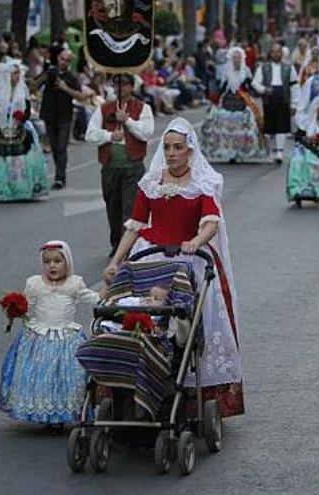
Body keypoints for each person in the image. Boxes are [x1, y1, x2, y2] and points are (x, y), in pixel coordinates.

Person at [103, 118, 245, 417]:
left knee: (183, 323)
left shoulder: (201, 183)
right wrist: (116, 262)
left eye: (177, 148)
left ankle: (189, 391)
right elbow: (134, 227)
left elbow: (211, 222)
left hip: (186, 260)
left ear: (190, 151)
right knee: (139, 314)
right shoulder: (151, 183)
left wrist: (195, 241)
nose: (171, 153)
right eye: (167, 147)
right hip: (152, 257)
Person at [0, 241, 101, 434]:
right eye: (47, 262)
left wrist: (109, 291)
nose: (52, 266)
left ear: (67, 262)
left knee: (67, 375)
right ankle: (45, 414)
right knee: (40, 374)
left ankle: (62, 414)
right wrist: (15, 310)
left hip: (66, 337)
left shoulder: (74, 284)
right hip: (40, 337)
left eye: (57, 261)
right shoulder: (34, 284)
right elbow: (28, 307)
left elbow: (93, 299)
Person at [85, 73, 155, 257]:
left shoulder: (143, 108)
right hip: (110, 167)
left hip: (133, 167)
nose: (120, 88)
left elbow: (147, 133)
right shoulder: (103, 108)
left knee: (130, 209)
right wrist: (109, 136)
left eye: (124, 84)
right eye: (116, 84)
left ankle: (128, 248)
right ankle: (117, 244)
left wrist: (128, 121)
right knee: (113, 208)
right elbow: (90, 134)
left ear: (131, 87)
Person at [0, 60, 50, 202]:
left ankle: (20, 189)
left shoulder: (23, 90)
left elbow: (27, 109)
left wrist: (23, 116)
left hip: (19, 129)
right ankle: (0, 189)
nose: (17, 76)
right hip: (1, 130)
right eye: (14, 73)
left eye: (18, 73)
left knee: (21, 160)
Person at [201, 47, 266, 163]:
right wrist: (214, 100)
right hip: (229, 100)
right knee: (223, 121)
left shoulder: (246, 71)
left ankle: (241, 151)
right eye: (234, 58)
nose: (236, 60)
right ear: (231, 59)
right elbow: (222, 87)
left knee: (247, 121)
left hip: (242, 101)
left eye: (239, 58)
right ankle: (229, 151)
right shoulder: (226, 71)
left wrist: (261, 91)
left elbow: (251, 86)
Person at [37, 49, 85, 189]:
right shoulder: (50, 72)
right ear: (58, 58)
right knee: (54, 146)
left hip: (64, 116)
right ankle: (59, 173)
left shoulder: (71, 77)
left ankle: (60, 178)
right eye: (62, 59)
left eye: (67, 60)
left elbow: (81, 96)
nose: (63, 62)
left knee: (61, 147)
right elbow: (33, 86)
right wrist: (44, 77)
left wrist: (65, 88)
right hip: (49, 114)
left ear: (70, 62)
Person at [252, 43, 300, 164]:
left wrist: (294, 104)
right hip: (269, 98)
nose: (276, 54)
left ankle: (280, 152)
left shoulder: (289, 68)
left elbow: (294, 86)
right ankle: (271, 152)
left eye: (278, 52)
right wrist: (264, 90)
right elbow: (255, 83)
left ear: (281, 53)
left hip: (283, 97)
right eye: (273, 52)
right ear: (270, 53)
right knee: (269, 127)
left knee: (282, 126)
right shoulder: (263, 67)